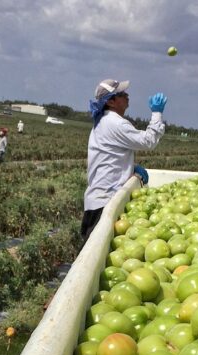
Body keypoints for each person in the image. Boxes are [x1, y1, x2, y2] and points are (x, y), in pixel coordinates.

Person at [80, 78, 168, 243]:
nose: (127, 95)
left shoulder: (104, 121)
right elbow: (148, 141)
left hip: (98, 201)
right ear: (111, 102)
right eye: (121, 93)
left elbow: (109, 156)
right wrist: (157, 113)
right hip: (104, 204)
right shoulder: (116, 123)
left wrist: (130, 167)